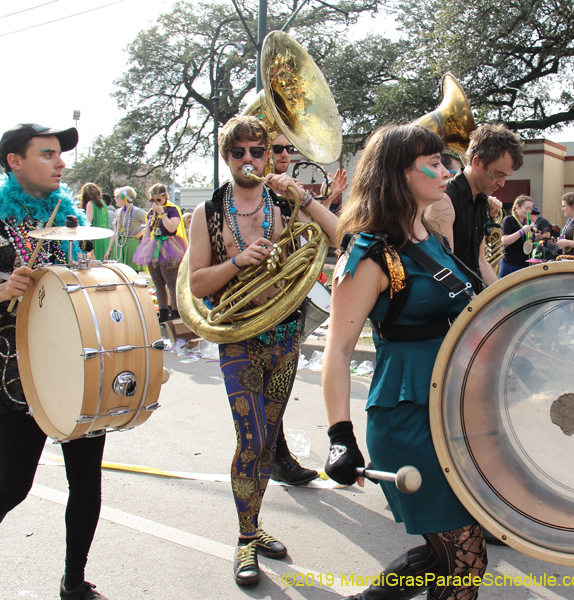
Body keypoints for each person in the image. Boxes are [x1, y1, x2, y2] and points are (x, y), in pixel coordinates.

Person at [0, 123, 108, 600]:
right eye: (48, 154)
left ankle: (74, 583)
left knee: (86, 487)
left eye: (61, 155)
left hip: (79, 370)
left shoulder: (71, 217)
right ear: (14, 161)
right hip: (17, 377)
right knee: (13, 486)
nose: (61, 164)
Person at [322, 124, 487, 600]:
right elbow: (338, 350)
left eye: (444, 161)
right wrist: (339, 437)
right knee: (466, 560)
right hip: (409, 418)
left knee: (443, 554)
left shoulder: (432, 236)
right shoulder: (368, 254)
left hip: (454, 412)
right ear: (398, 174)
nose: (444, 170)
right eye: (431, 164)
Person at [187, 115, 338, 586]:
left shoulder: (283, 201)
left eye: (258, 151)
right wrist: (237, 260)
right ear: (226, 157)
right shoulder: (207, 212)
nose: (250, 160)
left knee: (268, 441)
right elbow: (195, 283)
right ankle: (245, 539)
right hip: (238, 339)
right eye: (239, 153)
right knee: (250, 441)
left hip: (284, 336)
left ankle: (252, 525)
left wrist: (305, 198)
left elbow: (339, 237)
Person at [264, 132, 328, 486]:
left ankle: (277, 453)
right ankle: (273, 456)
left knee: (281, 383)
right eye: (277, 149)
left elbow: (317, 233)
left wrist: (324, 201)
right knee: (266, 387)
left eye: (289, 148)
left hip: (289, 299)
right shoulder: (253, 195)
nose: (286, 154)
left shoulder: (289, 191)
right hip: (263, 303)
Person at [425, 123, 523, 284]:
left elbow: (481, 262)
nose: (503, 183)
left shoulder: (482, 201)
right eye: (499, 174)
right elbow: (444, 269)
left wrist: (503, 298)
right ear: (477, 163)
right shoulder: (443, 202)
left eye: (506, 176)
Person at [133, 184, 187, 323]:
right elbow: (147, 231)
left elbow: (171, 227)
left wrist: (162, 212)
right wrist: (143, 247)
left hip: (169, 247)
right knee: (158, 283)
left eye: (159, 199)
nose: (156, 203)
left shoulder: (172, 210)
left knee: (171, 282)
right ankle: (163, 311)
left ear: (165, 197)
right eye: (153, 200)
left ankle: (176, 311)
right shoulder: (151, 212)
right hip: (154, 247)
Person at [104, 186, 144, 270]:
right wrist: (109, 249)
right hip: (118, 247)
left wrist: (141, 233)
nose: (115, 199)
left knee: (132, 276)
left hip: (131, 247)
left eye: (117, 196)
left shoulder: (136, 211)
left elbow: (152, 220)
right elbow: (115, 232)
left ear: (123, 197)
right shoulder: (117, 212)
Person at [499, 195, 534, 276]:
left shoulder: (527, 223)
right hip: (511, 264)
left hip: (525, 264)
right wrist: (522, 231)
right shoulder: (509, 220)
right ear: (518, 207)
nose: (529, 211)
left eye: (531, 209)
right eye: (527, 208)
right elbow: (505, 240)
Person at [79, 183, 110, 260]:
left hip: (95, 240)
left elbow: (87, 223)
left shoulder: (91, 203)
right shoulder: (103, 204)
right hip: (104, 239)